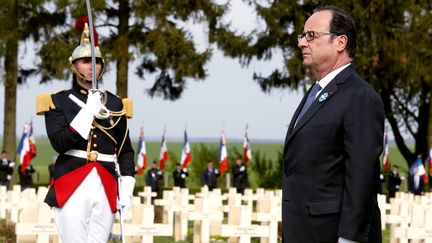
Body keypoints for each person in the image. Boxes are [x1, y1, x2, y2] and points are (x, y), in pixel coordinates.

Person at [282, 6, 384, 243]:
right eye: (302, 35)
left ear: (340, 42)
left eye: (311, 35)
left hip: (334, 235)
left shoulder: (359, 96)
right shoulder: (315, 94)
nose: (302, 43)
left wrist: (349, 239)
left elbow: (362, 175)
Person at [36, 19, 135, 242]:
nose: (92, 66)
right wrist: (88, 112)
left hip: (107, 181)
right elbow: (59, 143)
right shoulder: (58, 101)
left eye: (96, 62)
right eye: (85, 61)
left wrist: (127, 186)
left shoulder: (116, 104)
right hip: (72, 180)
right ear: (74, 66)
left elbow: (125, 150)